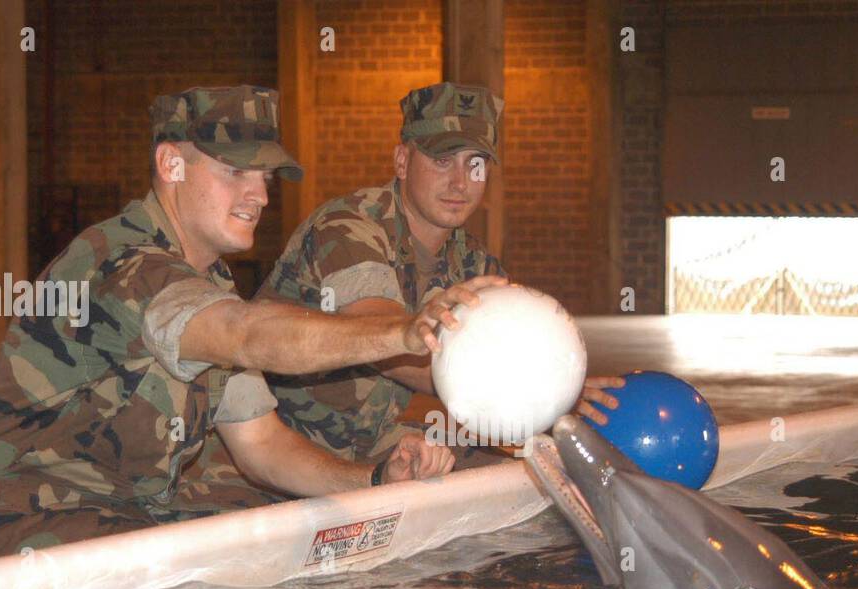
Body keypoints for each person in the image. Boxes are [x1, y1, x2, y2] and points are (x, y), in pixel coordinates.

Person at [0, 85, 499, 565]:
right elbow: (245, 333)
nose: (257, 196)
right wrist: (401, 334)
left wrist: (375, 482)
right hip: (18, 514)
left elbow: (261, 445)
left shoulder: (211, 282)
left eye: (264, 177)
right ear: (170, 165)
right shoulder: (126, 265)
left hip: (127, 512)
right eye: (235, 172)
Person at [257, 81, 622, 464]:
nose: (459, 182)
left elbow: (512, 346)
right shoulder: (349, 226)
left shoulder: (473, 262)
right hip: (278, 453)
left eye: (475, 164)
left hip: (371, 446)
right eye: (442, 160)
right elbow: (382, 335)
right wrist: (530, 390)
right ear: (402, 161)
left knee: (533, 473)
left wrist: (557, 392)